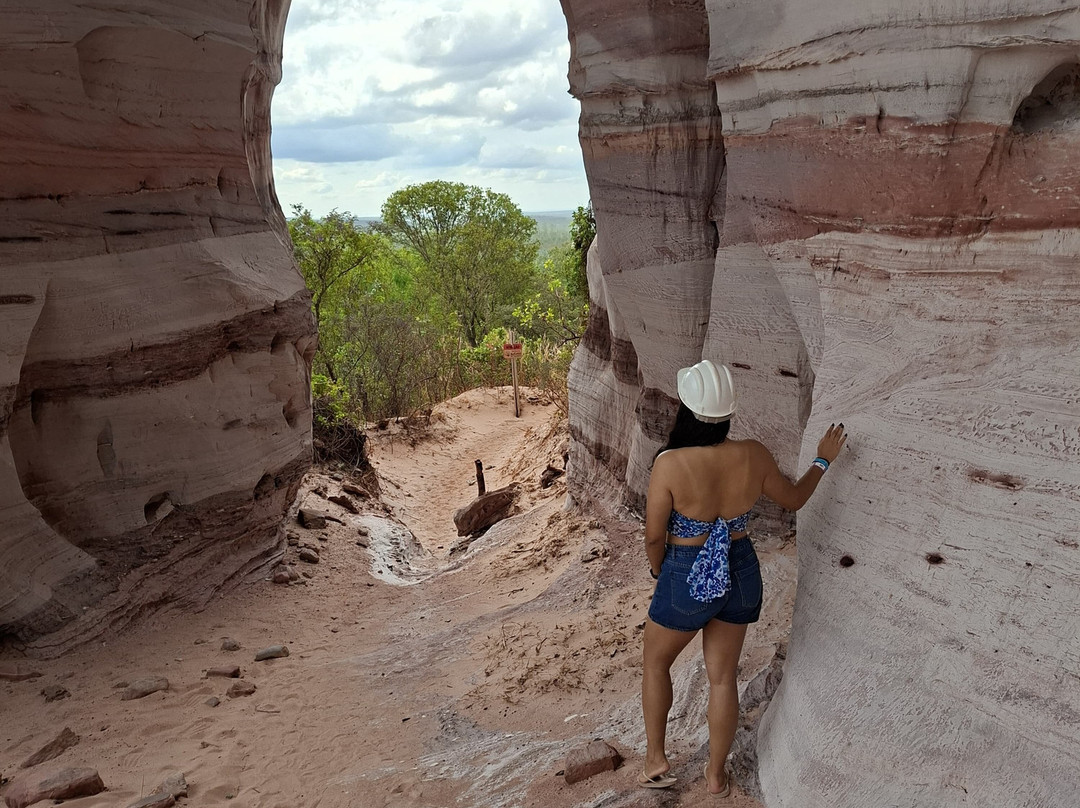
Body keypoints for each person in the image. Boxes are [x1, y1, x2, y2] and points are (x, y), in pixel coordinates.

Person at [638, 359, 847, 795]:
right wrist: (822, 461)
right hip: (740, 567)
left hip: (686, 571)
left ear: (686, 410)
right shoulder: (752, 454)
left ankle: (656, 760)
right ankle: (716, 776)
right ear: (727, 413)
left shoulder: (670, 464)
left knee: (656, 662)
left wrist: (660, 570)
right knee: (722, 677)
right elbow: (793, 500)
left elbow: (655, 535)